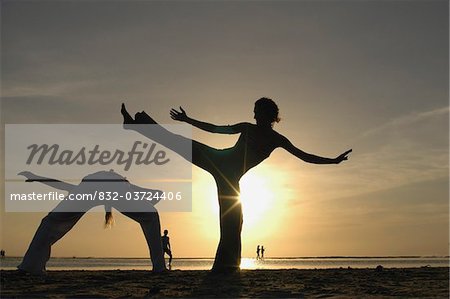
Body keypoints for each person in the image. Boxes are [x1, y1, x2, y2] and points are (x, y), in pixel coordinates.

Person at [121, 98, 351, 272]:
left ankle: (227, 266)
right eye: (255, 111)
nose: (254, 114)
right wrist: (187, 120)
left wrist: (333, 160)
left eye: (258, 111)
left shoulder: (276, 139)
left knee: (235, 221)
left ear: (268, 115)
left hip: (229, 176)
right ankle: (136, 125)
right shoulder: (251, 129)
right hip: (220, 162)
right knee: (180, 144)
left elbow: (305, 156)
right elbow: (216, 129)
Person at [17, 170, 167, 275]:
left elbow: (63, 185)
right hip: (112, 186)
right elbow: (158, 194)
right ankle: (159, 268)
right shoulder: (120, 185)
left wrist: (36, 177)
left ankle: (30, 265)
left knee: (49, 222)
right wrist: (144, 203)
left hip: (97, 186)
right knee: (151, 216)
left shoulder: (102, 185)